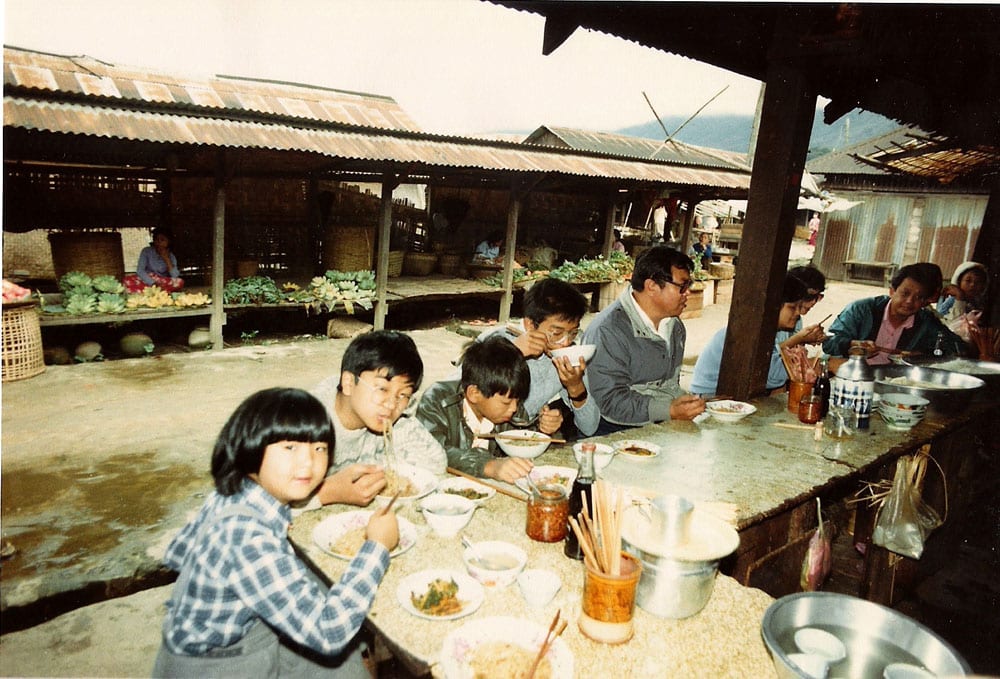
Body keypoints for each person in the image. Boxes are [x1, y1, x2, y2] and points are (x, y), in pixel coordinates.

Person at [153, 387, 398, 677]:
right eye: (290, 447)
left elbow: (178, 553)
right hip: (219, 664)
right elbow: (327, 631)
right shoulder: (246, 536)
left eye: (319, 448)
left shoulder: (233, 492)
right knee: (340, 649)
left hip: (217, 638)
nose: (308, 462)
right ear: (250, 446)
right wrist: (377, 546)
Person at [304, 331, 446, 510]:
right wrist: (327, 492)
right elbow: (263, 500)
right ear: (348, 383)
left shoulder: (387, 417)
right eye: (382, 389)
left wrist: (378, 467)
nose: (391, 404)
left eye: (403, 395)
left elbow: (436, 462)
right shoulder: (305, 423)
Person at [582, 245, 706, 434]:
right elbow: (610, 401)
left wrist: (685, 405)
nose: (688, 293)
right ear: (652, 286)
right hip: (612, 429)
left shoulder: (674, 326)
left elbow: (670, 385)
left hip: (660, 421)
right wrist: (669, 410)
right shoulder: (609, 330)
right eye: (682, 286)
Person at [476, 277, 599, 437]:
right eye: (557, 333)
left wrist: (575, 387)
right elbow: (456, 391)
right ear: (530, 325)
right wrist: (512, 352)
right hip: (480, 438)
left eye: (573, 332)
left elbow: (590, 427)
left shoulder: (569, 356)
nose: (566, 342)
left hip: (524, 443)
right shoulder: (493, 341)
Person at [416, 336, 536, 483]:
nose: (514, 408)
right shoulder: (438, 400)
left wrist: (545, 429)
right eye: (506, 402)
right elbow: (429, 451)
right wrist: (488, 466)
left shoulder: (508, 399)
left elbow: (527, 439)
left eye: (518, 400)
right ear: (474, 394)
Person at [691, 275, 823, 395]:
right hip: (709, 398)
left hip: (729, 394)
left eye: (799, 308)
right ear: (773, 307)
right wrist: (812, 365)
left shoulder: (763, 332)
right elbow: (770, 375)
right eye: (792, 308)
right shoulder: (747, 334)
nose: (797, 313)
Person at [823, 263, 966, 364]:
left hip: (896, 382)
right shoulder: (861, 309)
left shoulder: (925, 320)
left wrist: (921, 355)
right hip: (853, 376)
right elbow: (829, 342)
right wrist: (852, 345)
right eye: (905, 293)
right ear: (892, 291)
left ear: (924, 301)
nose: (910, 301)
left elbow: (957, 348)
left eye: (918, 297)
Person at [936, 261, 989, 341]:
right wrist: (960, 300)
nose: (972, 285)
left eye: (978, 282)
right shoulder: (954, 299)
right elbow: (940, 311)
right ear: (959, 281)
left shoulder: (978, 303)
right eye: (968, 281)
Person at [124, 227, 184, 293]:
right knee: (127, 280)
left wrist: (167, 259)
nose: (159, 243)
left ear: (168, 242)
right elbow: (140, 270)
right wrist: (153, 283)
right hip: (147, 280)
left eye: (162, 240)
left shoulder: (171, 256)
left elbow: (175, 275)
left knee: (179, 282)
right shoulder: (146, 251)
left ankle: (149, 291)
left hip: (161, 282)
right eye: (156, 240)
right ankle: (160, 292)